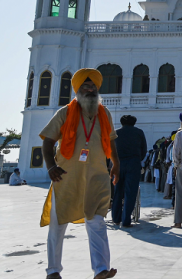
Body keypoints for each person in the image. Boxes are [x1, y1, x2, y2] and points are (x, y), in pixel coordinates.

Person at [39, 68, 119, 279]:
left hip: (97, 175)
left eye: (93, 86)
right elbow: (47, 143)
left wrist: (116, 164)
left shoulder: (105, 113)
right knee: (58, 224)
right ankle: (53, 271)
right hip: (66, 176)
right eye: (86, 86)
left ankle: (101, 269)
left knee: (97, 222)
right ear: (78, 89)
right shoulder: (64, 112)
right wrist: (50, 167)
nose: (90, 89)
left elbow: (111, 140)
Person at [111, 115, 147, 228]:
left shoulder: (116, 133)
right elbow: (144, 150)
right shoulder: (139, 132)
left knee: (117, 192)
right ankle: (126, 220)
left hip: (118, 164)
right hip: (133, 163)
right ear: (134, 122)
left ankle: (116, 218)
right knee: (130, 193)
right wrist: (137, 159)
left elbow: (110, 150)